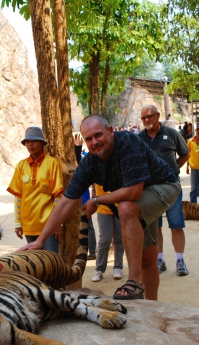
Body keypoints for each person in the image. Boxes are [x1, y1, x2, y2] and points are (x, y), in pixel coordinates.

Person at [18, 114, 180, 301]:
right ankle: (153, 308)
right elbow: (64, 203)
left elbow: (134, 192)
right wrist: (40, 240)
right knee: (147, 258)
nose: (94, 142)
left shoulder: (128, 142)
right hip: (142, 197)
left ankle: (134, 282)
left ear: (111, 131)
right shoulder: (89, 163)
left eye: (98, 135)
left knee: (126, 208)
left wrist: (96, 201)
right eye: (89, 139)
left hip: (164, 185)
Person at [138, 105, 190, 277]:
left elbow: (185, 154)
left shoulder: (172, 134)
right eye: (143, 118)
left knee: (176, 224)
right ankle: (159, 260)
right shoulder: (139, 138)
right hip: (150, 190)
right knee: (156, 226)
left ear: (158, 116)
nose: (146, 120)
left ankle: (180, 260)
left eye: (149, 116)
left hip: (172, 186)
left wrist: (174, 169)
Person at [7, 126, 64, 252]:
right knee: (36, 262)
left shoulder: (52, 163)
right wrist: (17, 222)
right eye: (27, 141)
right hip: (28, 225)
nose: (30, 144)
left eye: (34, 141)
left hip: (48, 225)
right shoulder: (21, 166)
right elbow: (18, 196)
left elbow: (58, 196)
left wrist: (58, 224)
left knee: (51, 262)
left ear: (42, 143)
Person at [92, 184, 124, 282]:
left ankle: (118, 267)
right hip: (103, 207)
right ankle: (99, 269)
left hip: (119, 206)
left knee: (119, 238)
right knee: (105, 239)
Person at [74, 132, 97, 259]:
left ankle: (92, 251)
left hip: (83, 199)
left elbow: (78, 164)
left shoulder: (84, 158)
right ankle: (82, 250)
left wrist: (77, 148)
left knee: (88, 226)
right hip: (75, 200)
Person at [187, 127, 199, 203]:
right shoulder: (190, 141)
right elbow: (188, 154)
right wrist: (187, 167)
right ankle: (193, 206)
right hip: (194, 168)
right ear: (196, 131)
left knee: (196, 188)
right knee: (193, 188)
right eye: (198, 130)